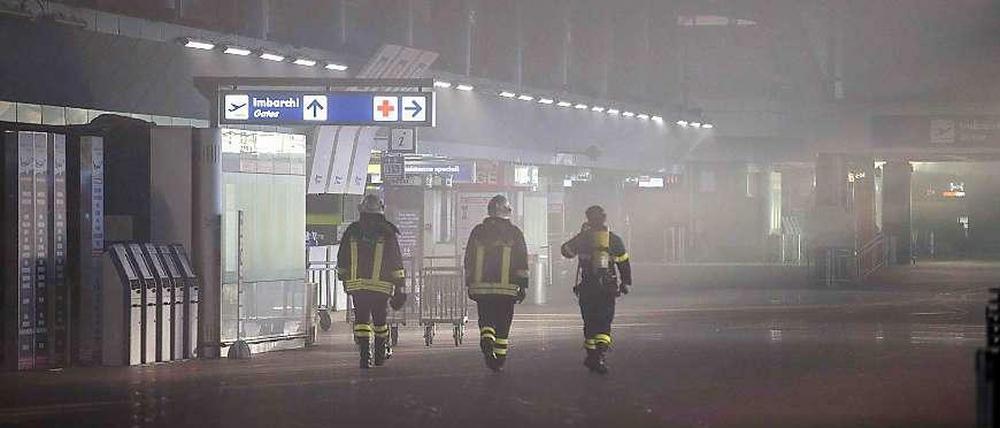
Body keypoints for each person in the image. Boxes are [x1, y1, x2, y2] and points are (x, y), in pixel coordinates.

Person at [336, 194, 406, 369]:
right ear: (381, 209)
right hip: (381, 287)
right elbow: (395, 261)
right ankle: (380, 355)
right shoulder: (387, 232)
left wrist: (343, 277)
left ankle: (364, 355)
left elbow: (342, 257)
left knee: (361, 320)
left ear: (362, 210)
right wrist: (400, 286)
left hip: (357, 286)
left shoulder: (352, 231)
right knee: (380, 321)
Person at [560, 205, 632, 374]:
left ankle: (592, 355)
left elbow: (566, 251)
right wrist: (625, 282)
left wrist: (581, 234)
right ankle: (600, 355)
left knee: (589, 321)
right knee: (604, 321)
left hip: (587, 288)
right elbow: (624, 263)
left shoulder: (583, 238)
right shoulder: (614, 239)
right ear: (604, 218)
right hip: (607, 288)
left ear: (588, 219)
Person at [464, 195, 529, 372]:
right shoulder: (514, 233)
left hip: (481, 288)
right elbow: (522, 260)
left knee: (486, 318)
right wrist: (522, 285)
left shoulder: (478, 231)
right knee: (503, 322)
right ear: (507, 211)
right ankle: (499, 358)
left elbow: (468, 258)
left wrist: (469, 283)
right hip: (507, 289)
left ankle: (486, 338)